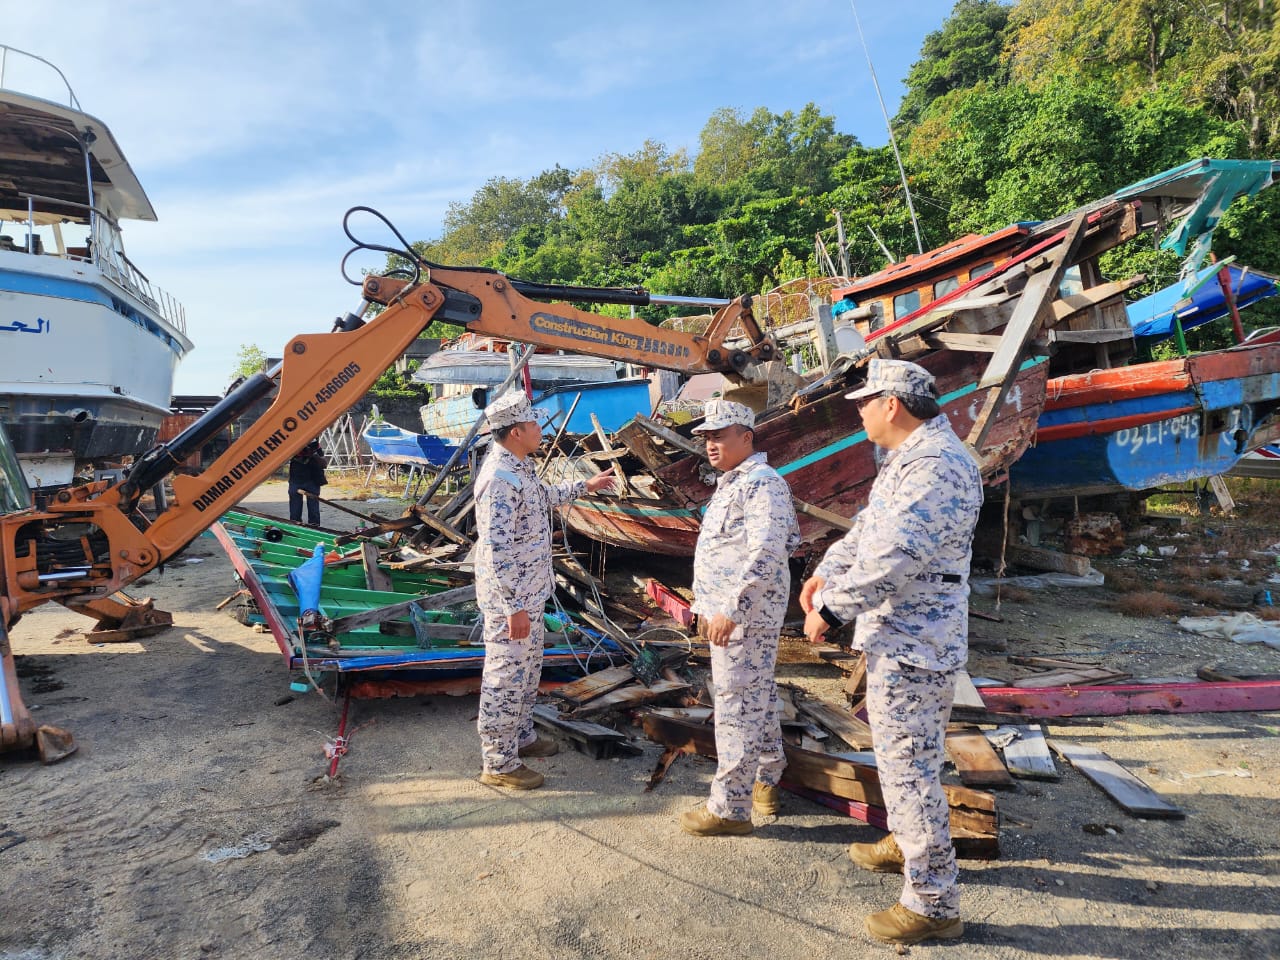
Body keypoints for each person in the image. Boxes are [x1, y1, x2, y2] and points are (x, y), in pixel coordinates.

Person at [800, 359, 982, 946]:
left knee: (911, 773)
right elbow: (868, 532)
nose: (859, 412)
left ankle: (932, 904)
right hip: (902, 641)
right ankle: (907, 845)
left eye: (865, 401)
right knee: (904, 759)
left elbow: (895, 556)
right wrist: (826, 572)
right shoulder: (911, 460)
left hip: (916, 645)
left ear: (892, 405)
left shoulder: (935, 466)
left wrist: (831, 609)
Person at [474, 391, 615, 790]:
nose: (541, 430)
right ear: (517, 431)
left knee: (527, 669)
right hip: (511, 601)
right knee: (505, 678)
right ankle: (498, 763)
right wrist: (513, 606)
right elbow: (497, 549)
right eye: (535, 424)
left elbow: (541, 498)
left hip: (530, 594)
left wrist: (585, 485)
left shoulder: (519, 466)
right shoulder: (499, 479)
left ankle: (520, 737)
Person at [680, 398, 800, 837]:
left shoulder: (761, 484)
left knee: (735, 708)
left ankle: (730, 808)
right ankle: (767, 779)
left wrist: (732, 608)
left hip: (743, 619)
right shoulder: (732, 483)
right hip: (735, 615)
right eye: (706, 437)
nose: (710, 444)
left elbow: (769, 550)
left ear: (746, 437)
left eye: (719, 435)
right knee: (756, 699)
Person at [288, 439, 327, 527]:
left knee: (314, 512)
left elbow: (324, 464)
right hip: (296, 480)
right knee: (295, 512)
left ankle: (314, 529)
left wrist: (313, 454)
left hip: (312, 481)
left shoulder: (315, 446)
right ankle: (296, 528)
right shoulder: (293, 446)